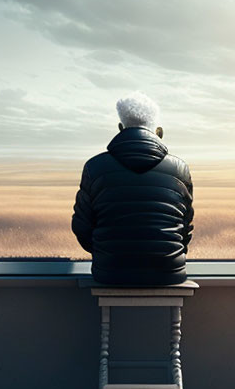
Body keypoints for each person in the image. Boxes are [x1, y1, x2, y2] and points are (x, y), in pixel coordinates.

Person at [72, 92, 193, 286]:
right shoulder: (180, 169)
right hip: (168, 272)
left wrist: (106, 253)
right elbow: (185, 227)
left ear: (120, 128)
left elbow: (82, 226)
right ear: (159, 132)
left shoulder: (94, 167)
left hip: (110, 273)